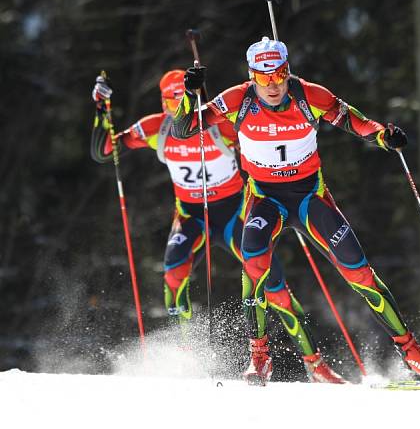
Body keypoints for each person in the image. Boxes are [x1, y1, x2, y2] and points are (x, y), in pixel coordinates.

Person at [170, 37, 420, 385]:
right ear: (251, 77)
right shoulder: (237, 100)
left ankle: (413, 354)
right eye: (264, 78)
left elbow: (355, 121)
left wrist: (384, 136)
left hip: (308, 197)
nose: (273, 85)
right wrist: (190, 93)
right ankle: (259, 357)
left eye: (280, 75)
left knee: (359, 271)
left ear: (288, 72)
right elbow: (183, 130)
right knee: (254, 264)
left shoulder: (308, 95)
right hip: (265, 198)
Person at [90, 70, 345, 385]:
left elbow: (262, 136)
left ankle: (315, 364)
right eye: (170, 99)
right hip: (191, 217)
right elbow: (103, 153)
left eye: (183, 97)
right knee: (173, 275)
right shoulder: (155, 128)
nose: (176, 105)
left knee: (273, 284)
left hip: (234, 213)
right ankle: (186, 357)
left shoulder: (217, 122)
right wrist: (102, 109)